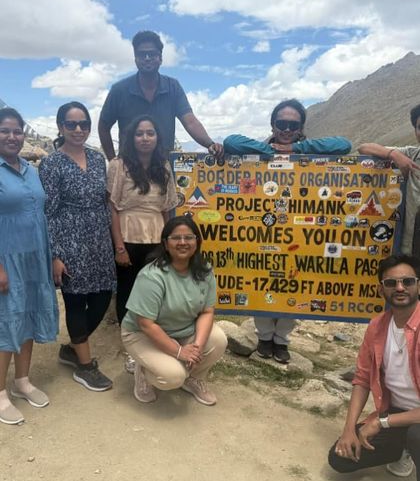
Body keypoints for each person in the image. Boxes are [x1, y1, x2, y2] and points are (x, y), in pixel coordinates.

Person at [224, 98, 352, 363]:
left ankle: (281, 341)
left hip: (300, 234)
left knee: (294, 284)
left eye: (292, 124)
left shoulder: (307, 149)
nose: (286, 128)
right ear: (273, 124)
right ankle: (263, 338)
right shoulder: (261, 149)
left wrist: (296, 148)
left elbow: (344, 145)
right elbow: (230, 141)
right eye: (281, 123)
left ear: (301, 127)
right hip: (262, 231)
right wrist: (272, 151)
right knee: (260, 282)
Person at [328, 254, 420, 481]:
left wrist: (380, 423)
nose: (400, 287)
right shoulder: (377, 326)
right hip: (397, 414)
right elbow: (362, 380)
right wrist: (348, 430)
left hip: (409, 421)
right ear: (382, 289)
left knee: (418, 433)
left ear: (418, 285)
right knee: (340, 459)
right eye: (391, 282)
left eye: (407, 281)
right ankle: (404, 451)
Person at [39, 102, 115, 392]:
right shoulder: (52, 163)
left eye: (84, 123)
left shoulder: (98, 160)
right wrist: (55, 254)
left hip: (98, 239)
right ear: (60, 127)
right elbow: (49, 212)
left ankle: (72, 348)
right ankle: (84, 367)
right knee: (75, 302)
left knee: (102, 295)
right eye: (71, 124)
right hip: (69, 240)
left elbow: (104, 201)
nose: (79, 129)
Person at [121, 216, 227, 406]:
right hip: (142, 334)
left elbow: (207, 311)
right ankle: (143, 370)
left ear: (197, 241)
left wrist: (197, 348)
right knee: (173, 377)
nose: (183, 242)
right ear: (165, 243)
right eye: (176, 238)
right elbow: (146, 324)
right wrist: (179, 352)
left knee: (218, 340)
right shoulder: (152, 275)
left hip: (184, 330)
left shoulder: (204, 270)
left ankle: (193, 378)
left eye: (189, 237)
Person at [0, 107, 58, 425]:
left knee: (29, 317)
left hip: (35, 255)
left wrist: (48, 258)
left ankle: (22, 381)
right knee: (7, 322)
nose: (12, 136)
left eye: (17, 131)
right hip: (6, 258)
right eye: (4, 130)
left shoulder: (29, 170)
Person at [98, 30, 223, 159]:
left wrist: (210, 144)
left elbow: (190, 122)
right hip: (129, 169)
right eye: (142, 54)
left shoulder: (172, 87)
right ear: (135, 58)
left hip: (164, 169)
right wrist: (113, 160)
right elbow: (103, 126)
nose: (147, 58)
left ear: (160, 58)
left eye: (152, 54)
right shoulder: (119, 90)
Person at [108, 114, 178, 326]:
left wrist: (169, 244)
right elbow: (112, 208)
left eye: (150, 133)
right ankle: (128, 338)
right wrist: (119, 248)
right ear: (132, 137)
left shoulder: (163, 166)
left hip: (157, 238)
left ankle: (150, 337)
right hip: (127, 237)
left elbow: (166, 208)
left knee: (154, 289)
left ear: (157, 137)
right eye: (139, 134)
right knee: (127, 289)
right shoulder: (118, 165)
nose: (145, 138)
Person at [359, 103, 420, 255]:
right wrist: (393, 154)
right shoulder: (412, 154)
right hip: (411, 250)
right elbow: (364, 148)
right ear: (415, 131)